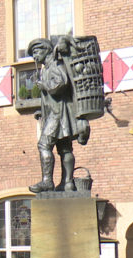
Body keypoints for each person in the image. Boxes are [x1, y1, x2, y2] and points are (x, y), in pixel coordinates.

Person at [27, 37, 90, 193]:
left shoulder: (54, 65)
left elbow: (61, 83)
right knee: (65, 148)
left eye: (36, 52)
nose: (35, 57)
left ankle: (47, 181)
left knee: (44, 145)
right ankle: (67, 183)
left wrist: (44, 86)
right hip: (58, 113)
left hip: (58, 114)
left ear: (46, 50)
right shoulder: (47, 68)